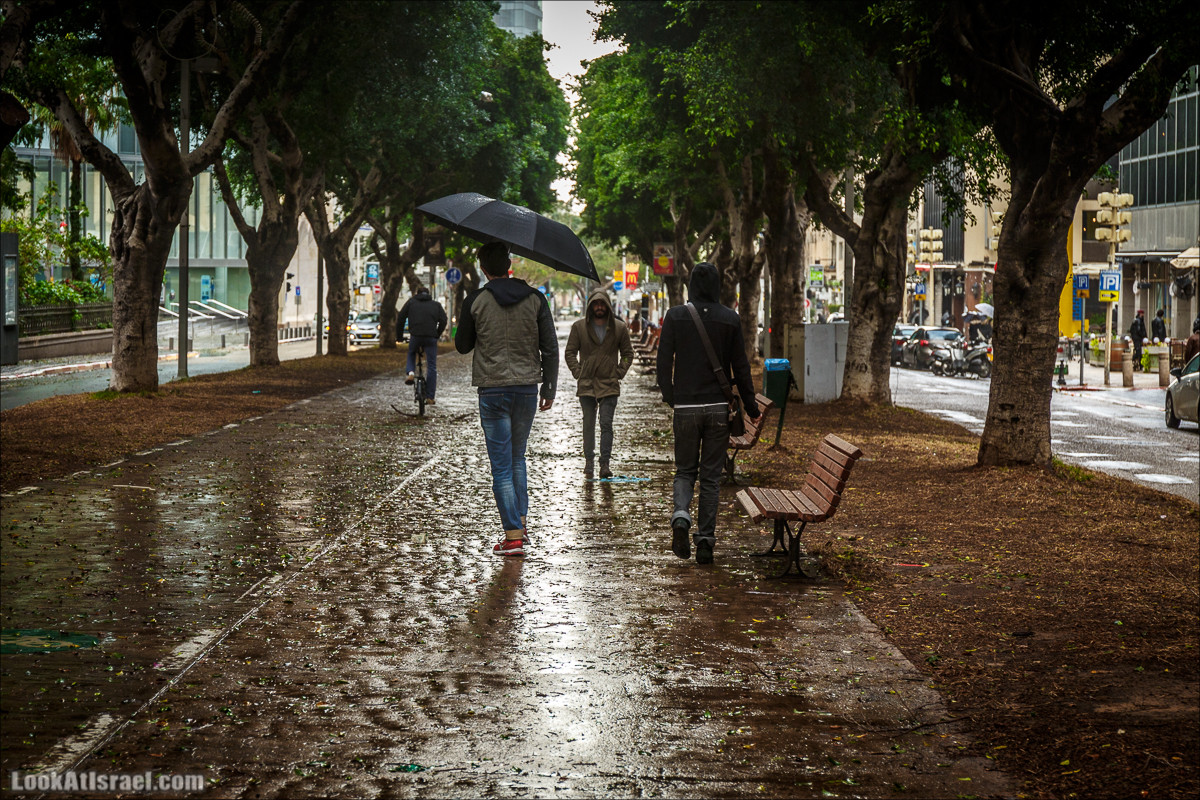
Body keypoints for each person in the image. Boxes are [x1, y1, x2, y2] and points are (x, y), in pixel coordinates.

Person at [455, 242, 558, 557]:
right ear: (509, 264)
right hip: (527, 389)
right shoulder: (536, 299)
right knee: (517, 459)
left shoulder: (476, 301)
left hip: (493, 389)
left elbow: (462, 346)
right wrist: (549, 388)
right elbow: (550, 347)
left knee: (501, 465)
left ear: (483, 268)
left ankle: (512, 536)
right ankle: (521, 525)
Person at [656, 262, 759, 565]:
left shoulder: (675, 316)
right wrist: (751, 406)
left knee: (685, 471)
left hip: (686, 407)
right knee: (711, 478)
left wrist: (671, 396)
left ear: (689, 284)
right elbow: (741, 367)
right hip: (717, 410)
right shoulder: (730, 319)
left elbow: (664, 364)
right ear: (717, 286)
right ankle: (705, 543)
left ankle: (680, 516)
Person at [565, 289, 634, 479]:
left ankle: (605, 463)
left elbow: (628, 354)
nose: (599, 307)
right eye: (596, 304)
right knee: (588, 425)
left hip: (609, 384)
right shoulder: (579, 327)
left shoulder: (619, 328)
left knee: (606, 424)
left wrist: (619, 372)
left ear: (608, 306)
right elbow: (570, 352)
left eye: (602, 304)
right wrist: (578, 372)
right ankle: (589, 462)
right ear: (590, 306)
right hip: (586, 384)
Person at [397, 286, 448, 404]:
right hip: (431, 337)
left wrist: (399, 337)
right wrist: (437, 334)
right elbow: (444, 320)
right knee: (432, 366)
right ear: (428, 294)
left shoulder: (411, 303)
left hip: (415, 336)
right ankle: (430, 396)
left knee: (411, 353)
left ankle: (410, 373)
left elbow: (401, 318)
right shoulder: (436, 305)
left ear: (417, 293)